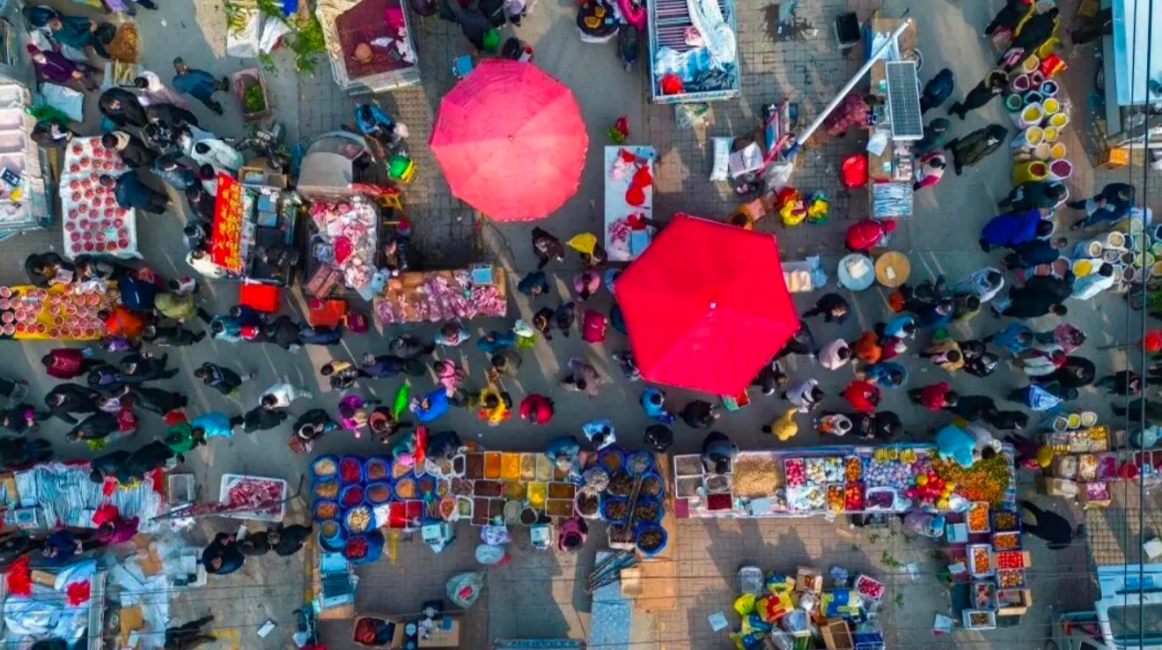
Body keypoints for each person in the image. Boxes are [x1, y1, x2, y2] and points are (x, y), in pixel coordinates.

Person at [993, 274, 1072, 319]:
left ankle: (1011, 294)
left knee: (1017, 293)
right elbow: (1025, 305)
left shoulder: (1055, 298)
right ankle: (997, 310)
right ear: (1055, 313)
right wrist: (1014, 302)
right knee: (1008, 309)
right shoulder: (1038, 309)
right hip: (1021, 305)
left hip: (1029, 293)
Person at [27, 44, 97, 91]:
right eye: (36, 56)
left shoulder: (47, 53)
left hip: (68, 66)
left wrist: (73, 70)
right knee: (81, 76)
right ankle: (91, 87)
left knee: (82, 67)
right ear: (34, 58)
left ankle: (92, 71)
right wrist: (71, 75)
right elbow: (56, 76)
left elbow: (62, 61)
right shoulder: (41, 68)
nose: (39, 56)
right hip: (64, 78)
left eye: (39, 53)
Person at [1019, 500, 1084, 550]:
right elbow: (1053, 546)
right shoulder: (1067, 542)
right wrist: (1049, 544)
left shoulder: (1066, 525)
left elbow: (1057, 517)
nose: (1075, 528)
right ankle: (1021, 525)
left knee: (1035, 511)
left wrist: (1047, 513)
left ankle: (1024, 503)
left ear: (1075, 530)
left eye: (1076, 529)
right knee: (1030, 528)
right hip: (1043, 532)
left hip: (1045, 521)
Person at [1068, 183, 1135, 230]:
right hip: (1102, 198)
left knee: (1093, 219)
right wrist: (1104, 197)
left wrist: (1104, 210)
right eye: (1119, 193)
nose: (1119, 195)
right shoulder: (1122, 186)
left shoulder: (1128, 205)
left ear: (1127, 199)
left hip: (1105, 212)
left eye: (1121, 197)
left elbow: (1114, 216)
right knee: (1087, 202)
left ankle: (1080, 224)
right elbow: (1108, 187)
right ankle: (1075, 205)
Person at [979, 209, 1050, 251]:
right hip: (1005, 234)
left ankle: (985, 230)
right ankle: (984, 241)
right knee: (993, 236)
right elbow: (1015, 240)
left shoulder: (1035, 214)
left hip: (1008, 220)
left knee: (994, 224)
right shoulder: (1030, 235)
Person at [46, 12, 111, 58]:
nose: (61, 22)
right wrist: (89, 31)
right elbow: (77, 40)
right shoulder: (60, 36)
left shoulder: (63, 20)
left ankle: (102, 34)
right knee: (94, 40)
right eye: (60, 23)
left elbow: (75, 19)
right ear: (56, 27)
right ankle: (104, 55)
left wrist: (88, 20)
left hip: (76, 30)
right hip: (79, 42)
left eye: (60, 21)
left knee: (89, 24)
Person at [101, 173, 169, 215]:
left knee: (152, 208)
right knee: (156, 196)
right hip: (145, 192)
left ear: (108, 186)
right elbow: (135, 174)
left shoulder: (119, 198)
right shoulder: (125, 177)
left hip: (141, 204)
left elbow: (127, 207)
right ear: (111, 177)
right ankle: (167, 201)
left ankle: (162, 211)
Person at [999, 181, 1067, 212]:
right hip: (1025, 207)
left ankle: (1004, 203)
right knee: (1016, 210)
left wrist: (1019, 187)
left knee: (1010, 200)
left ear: (1054, 187)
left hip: (1018, 197)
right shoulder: (1053, 202)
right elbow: (1042, 207)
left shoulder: (1043, 186)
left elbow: (1027, 184)